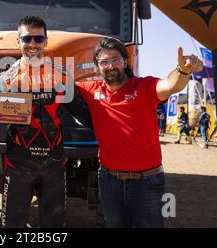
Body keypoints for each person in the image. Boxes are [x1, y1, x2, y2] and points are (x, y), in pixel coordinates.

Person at [76, 37, 203, 228]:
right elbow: (60, 85)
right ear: (97, 66)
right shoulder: (91, 90)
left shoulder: (145, 86)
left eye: (115, 60)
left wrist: (183, 70)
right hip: (109, 181)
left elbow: (170, 85)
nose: (110, 66)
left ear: (125, 62)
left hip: (147, 181)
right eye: (104, 62)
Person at [0, 16, 92, 228]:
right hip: (17, 164)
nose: (32, 44)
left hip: (54, 165)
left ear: (46, 41)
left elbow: (82, 115)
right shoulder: (4, 79)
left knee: (53, 226)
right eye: (27, 38)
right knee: (12, 224)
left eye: (38, 39)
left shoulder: (62, 77)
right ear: (18, 41)